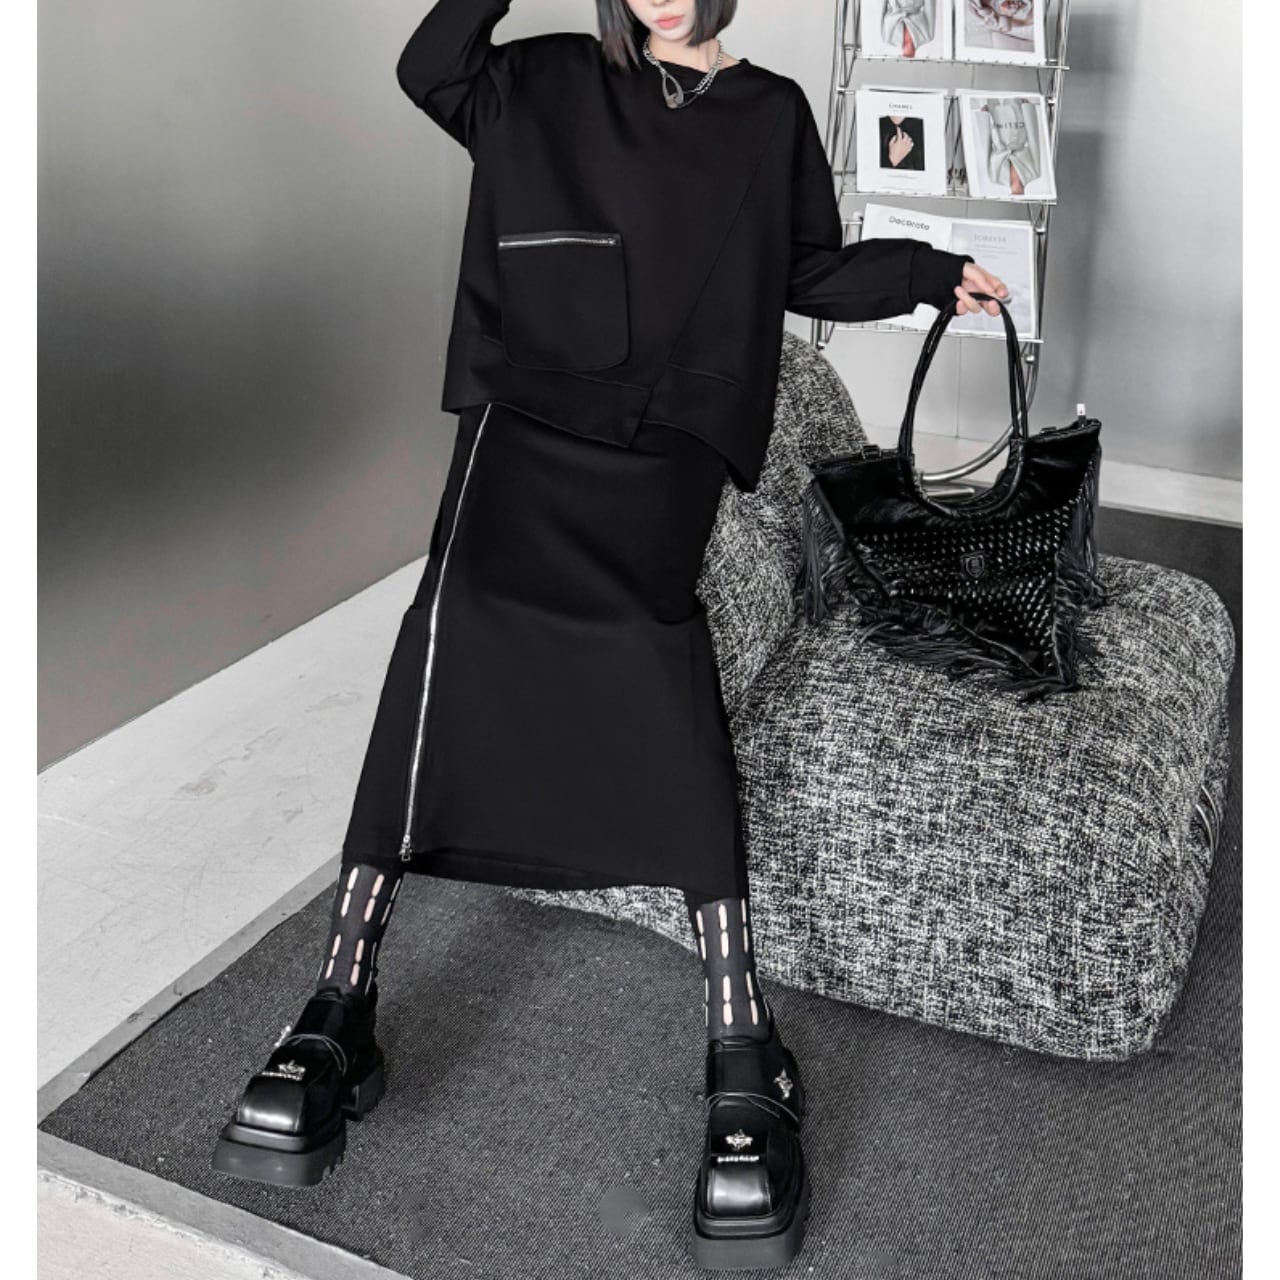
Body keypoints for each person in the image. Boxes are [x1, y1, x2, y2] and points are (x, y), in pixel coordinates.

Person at [211, 0, 1008, 1269]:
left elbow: (801, 270)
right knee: (452, 626)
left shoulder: (767, 112)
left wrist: (922, 272)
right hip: (524, 415)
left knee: (649, 649)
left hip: (667, 441)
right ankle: (334, 1002)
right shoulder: (538, 79)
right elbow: (429, 64)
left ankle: (738, 1038)